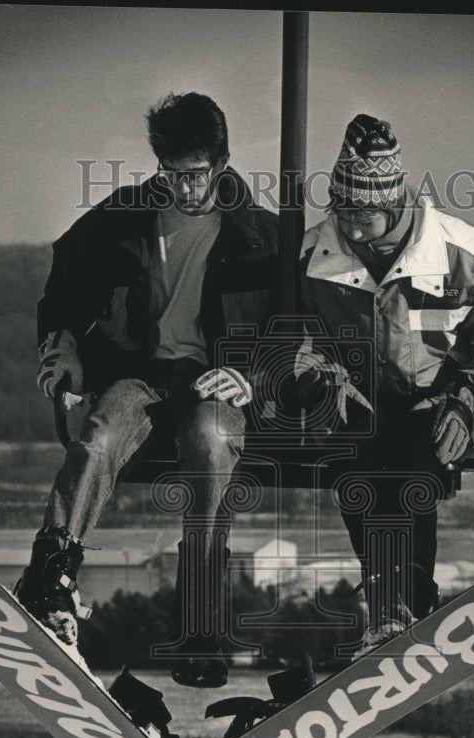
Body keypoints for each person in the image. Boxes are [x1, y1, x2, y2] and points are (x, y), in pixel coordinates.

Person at [19, 92, 279, 688]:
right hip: (142, 376)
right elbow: (63, 278)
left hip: (215, 383)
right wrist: (62, 349)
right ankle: (52, 577)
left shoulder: (259, 235)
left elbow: (295, 332)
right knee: (101, 433)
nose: (184, 189)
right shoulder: (127, 217)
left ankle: (201, 629)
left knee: (210, 445)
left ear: (221, 162)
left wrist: (251, 374)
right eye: (171, 174)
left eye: (195, 175)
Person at [295, 114, 474, 654]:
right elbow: (297, 333)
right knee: (358, 476)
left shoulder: (466, 256)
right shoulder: (316, 256)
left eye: (364, 215)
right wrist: (314, 376)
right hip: (354, 400)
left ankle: (408, 603)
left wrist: (469, 395)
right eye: (343, 210)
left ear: (395, 203)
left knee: (407, 470)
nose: (352, 228)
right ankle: (387, 606)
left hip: (433, 399)